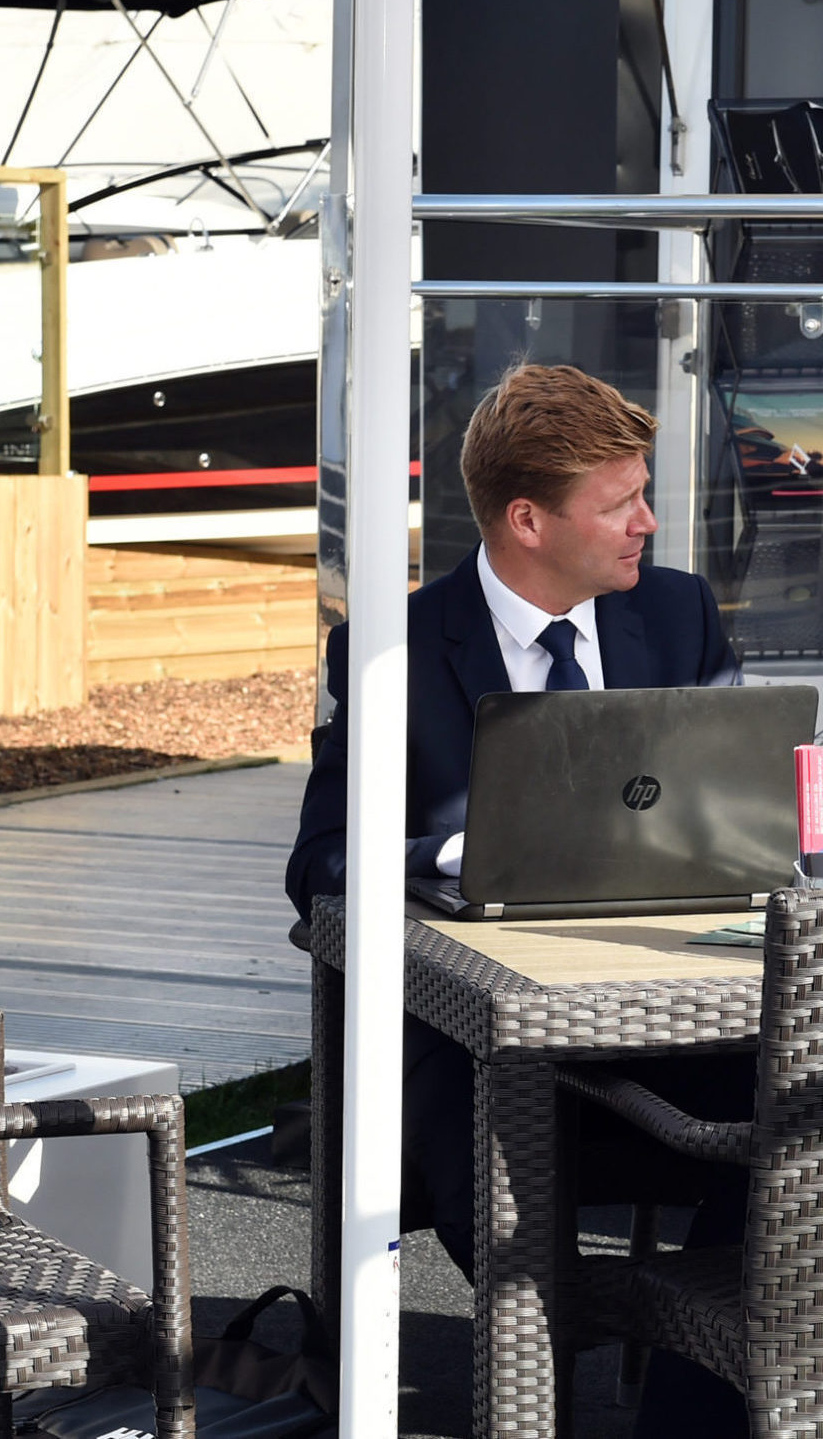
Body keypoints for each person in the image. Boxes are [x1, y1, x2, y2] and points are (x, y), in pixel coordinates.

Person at [285, 361, 743, 1280]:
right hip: (481, 1037)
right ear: (528, 521)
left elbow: (737, 798)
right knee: (477, 1110)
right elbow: (319, 863)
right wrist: (466, 850)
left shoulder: (677, 612)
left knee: (818, 1088)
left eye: (642, 494)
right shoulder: (395, 652)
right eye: (620, 504)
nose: (647, 523)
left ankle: (693, 1345)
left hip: (666, 1008)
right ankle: (545, 1350)